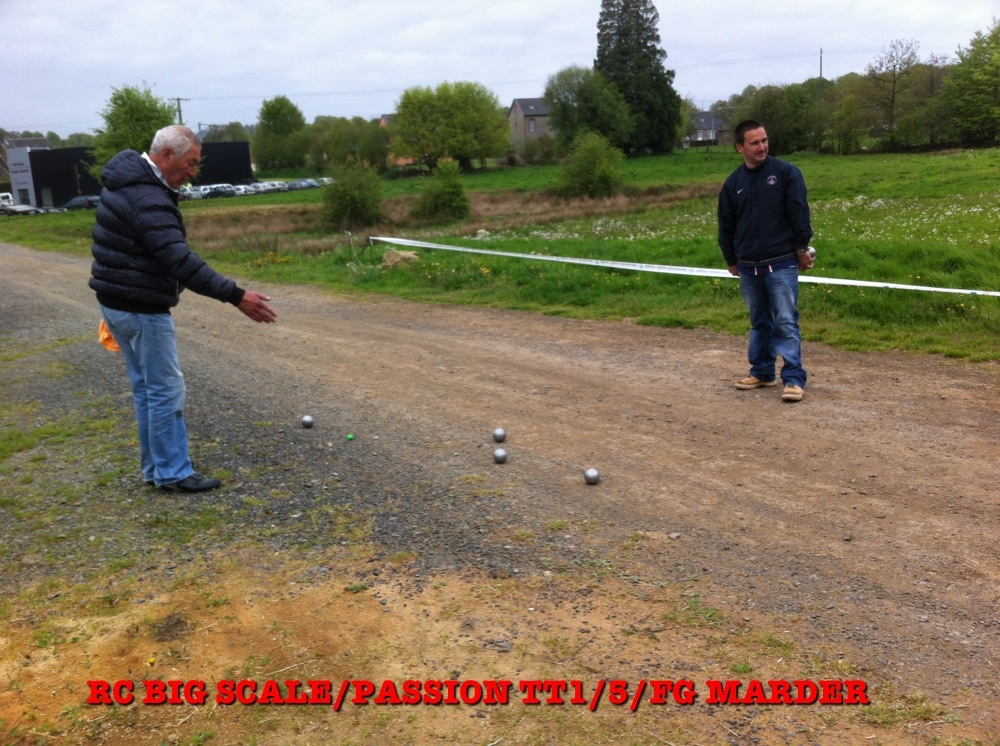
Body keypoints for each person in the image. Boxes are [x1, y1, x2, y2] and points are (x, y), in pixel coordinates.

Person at [90, 125, 277, 492]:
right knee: (164, 390)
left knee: (147, 390)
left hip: (117, 303)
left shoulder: (128, 181)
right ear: (166, 156)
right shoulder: (147, 196)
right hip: (141, 308)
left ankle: (156, 470)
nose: (194, 172)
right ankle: (173, 472)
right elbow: (180, 260)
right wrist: (236, 295)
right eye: (190, 163)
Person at [717, 120, 814, 403]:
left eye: (764, 140)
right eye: (755, 142)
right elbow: (726, 226)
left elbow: (800, 215)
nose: (762, 146)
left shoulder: (786, 174)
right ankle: (762, 372)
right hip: (748, 266)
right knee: (759, 322)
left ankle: (794, 379)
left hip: (781, 263)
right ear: (740, 147)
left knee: (785, 321)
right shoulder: (733, 184)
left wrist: (801, 249)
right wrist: (731, 259)